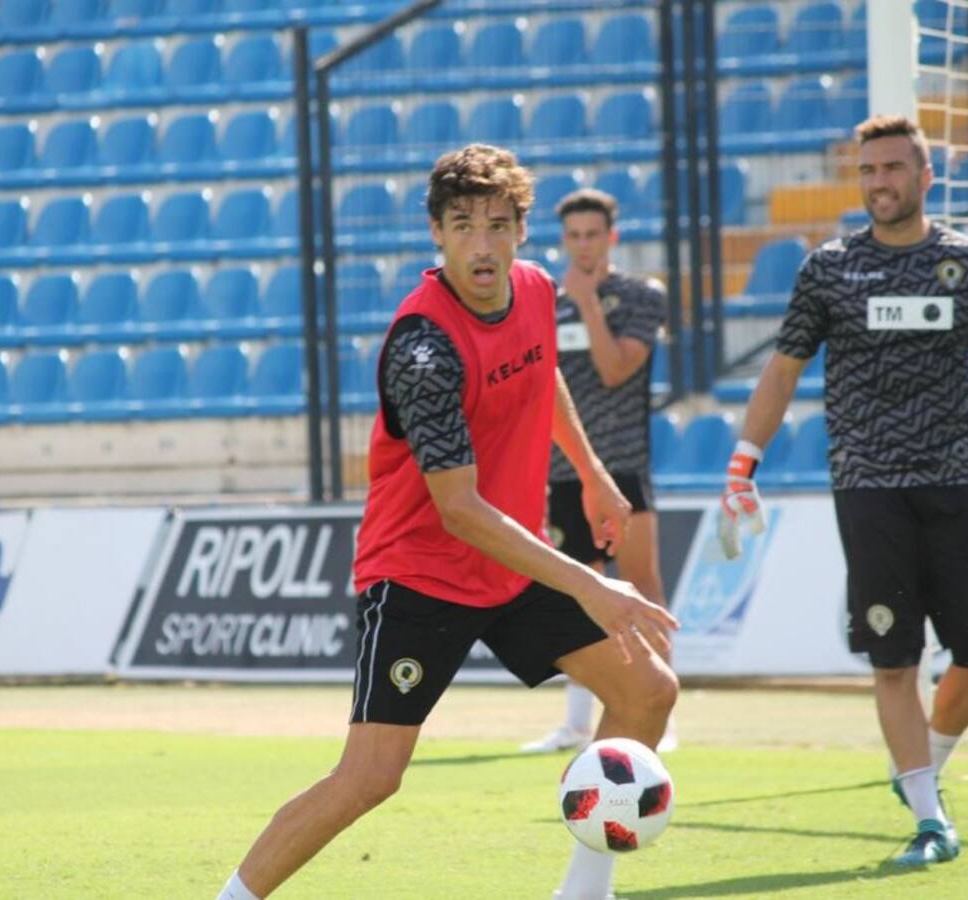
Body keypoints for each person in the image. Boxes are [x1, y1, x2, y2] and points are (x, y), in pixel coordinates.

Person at [216, 144, 680, 900]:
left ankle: (585, 891)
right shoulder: (422, 346)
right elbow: (458, 510)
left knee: (648, 692)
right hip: (420, 572)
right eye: (463, 226)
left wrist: (593, 475)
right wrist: (590, 586)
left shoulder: (535, 289)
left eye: (497, 225)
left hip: (512, 563)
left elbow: (542, 371)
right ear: (437, 233)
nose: (482, 245)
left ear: (521, 231)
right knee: (371, 776)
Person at [718, 115, 968, 868]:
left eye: (893, 168)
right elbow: (783, 369)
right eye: (867, 170)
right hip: (868, 487)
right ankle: (930, 817)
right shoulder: (829, 268)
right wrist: (743, 462)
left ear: (925, 177)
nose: (878, 182)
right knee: (894, 659)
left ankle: (920, 765)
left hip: (955, 481)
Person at [521, 188, 675, 755]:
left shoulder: (640, 296)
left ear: (611, 237)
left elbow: (615, 371)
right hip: (564, 469)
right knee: (578, 596)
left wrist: (587, 303)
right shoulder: (547, 303)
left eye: (592, 235)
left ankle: (662, 715)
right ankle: (576, 723)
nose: (583, 246)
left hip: (624, 464)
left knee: (641, 587)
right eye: (574, 236)